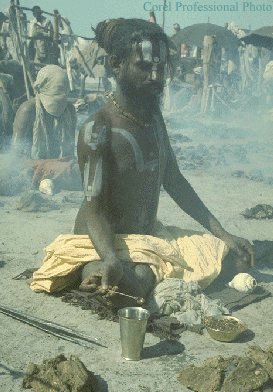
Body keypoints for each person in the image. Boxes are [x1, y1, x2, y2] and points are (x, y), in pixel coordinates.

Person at [74, 18, 254, 301]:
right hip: (103, 241)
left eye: (160, 68)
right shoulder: (97, 130)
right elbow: (93, 210)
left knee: (239, 257)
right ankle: (97, 269)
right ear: (116, 64)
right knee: (135, 283)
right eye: (145, 67)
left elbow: (175, 181)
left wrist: (222, 233)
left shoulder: (153, 118)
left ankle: (119, 274)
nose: (156, 77)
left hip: (148, 236)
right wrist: (109, 257)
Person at [12, 64, 76, 159]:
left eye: (61, 99)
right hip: (29, 168)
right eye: (54, 98)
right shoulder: (27, 111)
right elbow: (15, 156)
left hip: (57, 166)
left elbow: (69, 153)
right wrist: (44, 166)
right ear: (40, 90)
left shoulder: (69, 110)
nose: (59, 105)